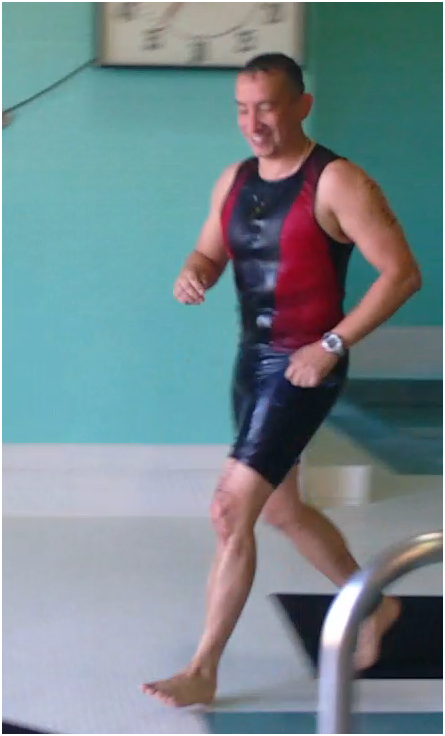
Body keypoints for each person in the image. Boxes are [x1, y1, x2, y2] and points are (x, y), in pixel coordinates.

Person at [142, 53, 421, 707]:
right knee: (281, 509)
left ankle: (203, 668)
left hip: (304, 365)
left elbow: (402, 274)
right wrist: (194, 272)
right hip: (251, 362)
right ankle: (373, 606)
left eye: (266, 107)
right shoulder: (234, 179)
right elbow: (209, 250)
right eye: (242, 110)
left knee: (228, 509)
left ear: (301, 105)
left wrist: (332, 345)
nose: (253, 123)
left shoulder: (337, 181)